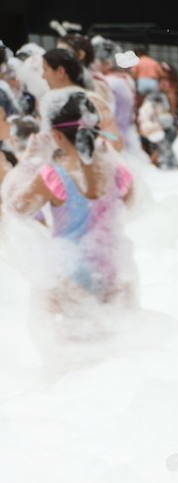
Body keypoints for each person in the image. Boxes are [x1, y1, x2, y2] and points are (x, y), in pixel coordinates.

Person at [5, 88, 135, 315]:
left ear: (55, 135)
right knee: (114, 333)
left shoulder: (53, 176)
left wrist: (30, 160)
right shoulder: (119, 172)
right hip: (113, 268)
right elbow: (132, 206)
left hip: (68, 271)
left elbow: (17, 209)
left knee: (64, 335)